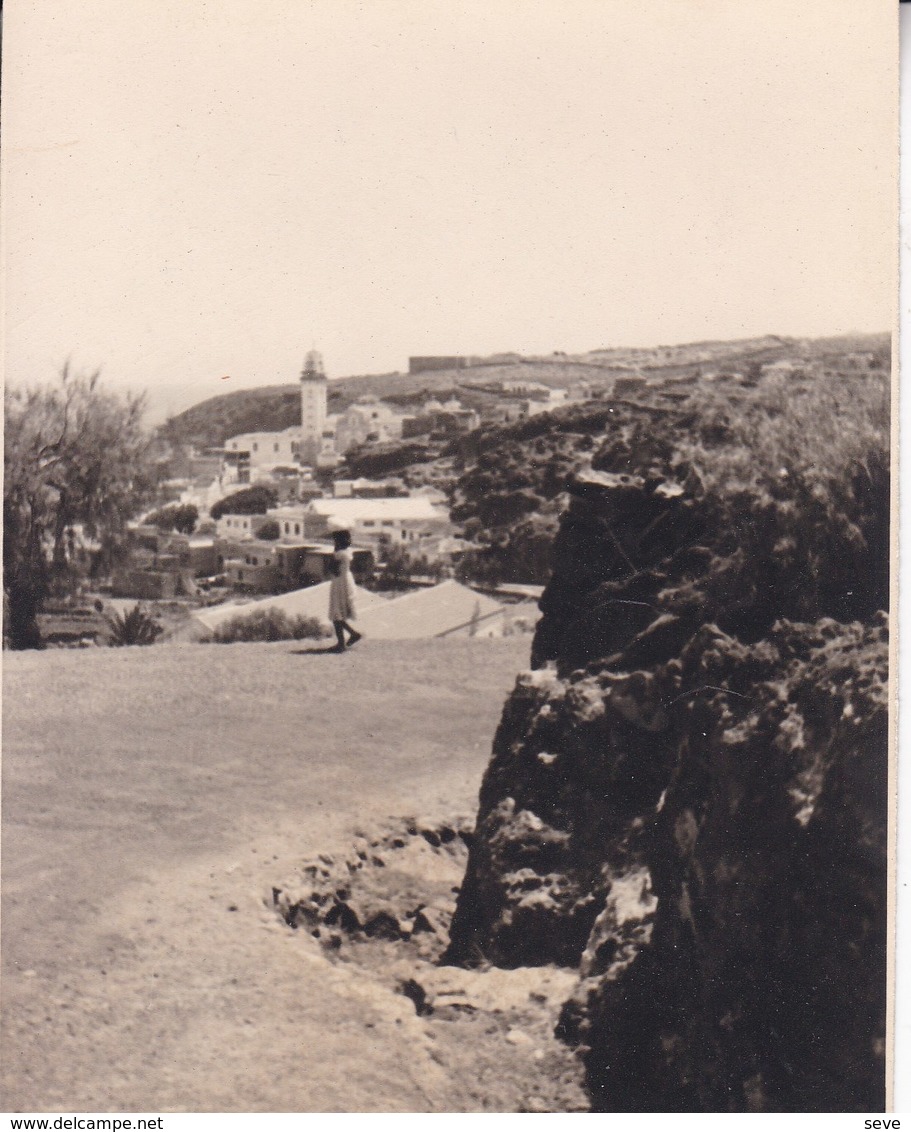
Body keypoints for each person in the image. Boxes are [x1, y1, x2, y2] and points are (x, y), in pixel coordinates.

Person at [327, 528, 362, 651]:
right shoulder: (347, 552)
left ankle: (344, 640)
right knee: (339, 613)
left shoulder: (339, 554)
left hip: (339, 582)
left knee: (337, 613)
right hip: (346, 580)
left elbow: (333, 569)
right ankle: (348, 638)